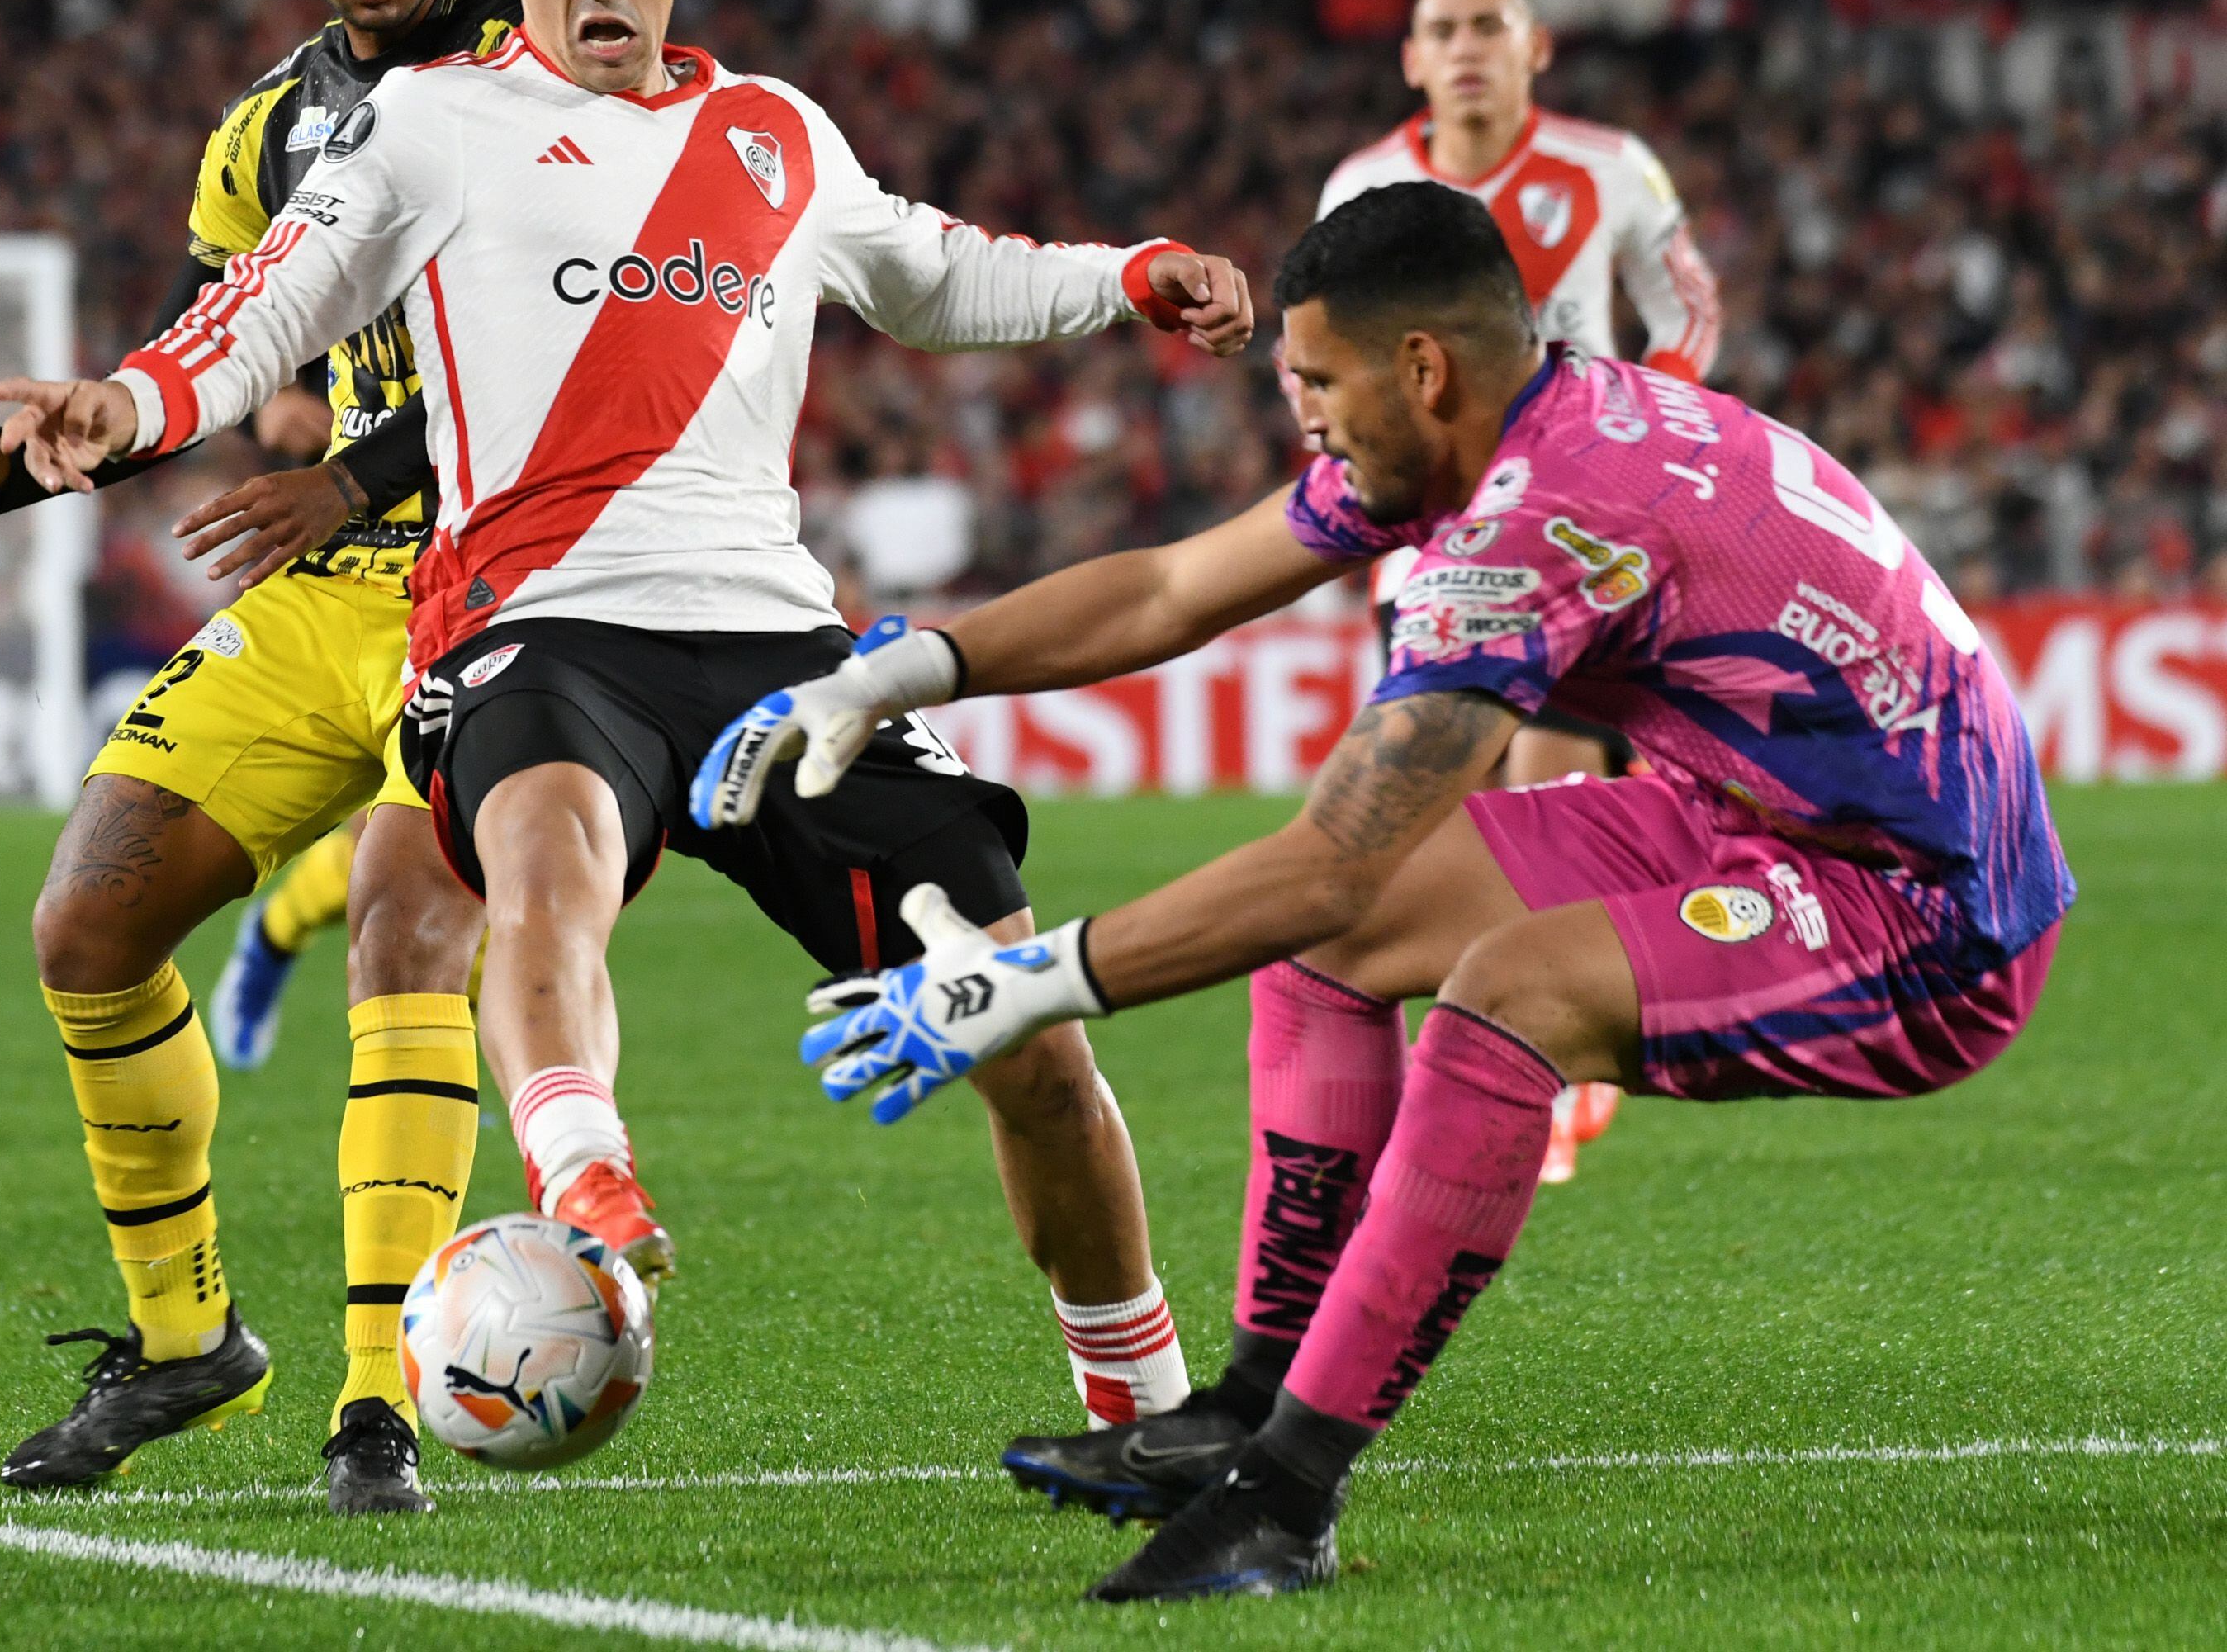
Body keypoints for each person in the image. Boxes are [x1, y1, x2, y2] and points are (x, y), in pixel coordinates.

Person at [0, 0, 1259, 1437]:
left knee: (1013, 1013)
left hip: (785, 647)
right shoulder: (430, 128)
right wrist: (122, 409)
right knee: (545, 851)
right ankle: (585, 1176)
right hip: (540, 624)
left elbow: (941, 273)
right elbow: (258, 313)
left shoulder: (778, 136)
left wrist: (1128, 274)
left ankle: (1148, 1408)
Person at [694, 182, 2072, 1602]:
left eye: (1313, 379)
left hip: (1922, 905)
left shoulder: (1545, 522)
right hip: (1743, 808)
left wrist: (1024, 985)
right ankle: (1241, 1411)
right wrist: (905, 669)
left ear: (1423, 368)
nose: (1299, 412)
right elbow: (1177, 588)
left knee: (1503, 996)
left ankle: (1286, 1497)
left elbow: (1327, 860)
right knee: (1343, 945)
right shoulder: (1492, 430)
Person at [0, 0, 516, 1515]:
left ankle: (380, 1394)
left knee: (403, 920)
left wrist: (362, 473)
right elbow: (205, 349)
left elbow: (608, 350)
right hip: (333, 588)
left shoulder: (555, 80)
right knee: (89, 915)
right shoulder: (269, 126)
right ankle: (186, 1341)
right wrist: (3, 468)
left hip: (519, 581)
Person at [1320, 0, 1728, 1179]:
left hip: (1577, 535)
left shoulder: (1608, 170)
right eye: (1443, 29)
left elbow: (1690, 309)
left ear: (1534, 45)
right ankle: (1490, 1047)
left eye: (1490, 26)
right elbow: (1333, 353)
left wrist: (1633, 435)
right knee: (1447, 806)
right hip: (1431, 539)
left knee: (1553, 793)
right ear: (1411, 58)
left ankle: (1554, 1057)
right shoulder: (1363, 184)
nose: (1466, 50)